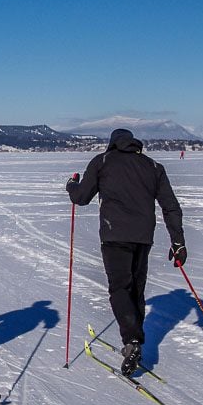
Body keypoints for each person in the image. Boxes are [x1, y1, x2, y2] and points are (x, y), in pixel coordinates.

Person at [66, 128, 186, 376]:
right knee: (136, 289)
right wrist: (178, 242)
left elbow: (81, 197)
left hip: (114, 235)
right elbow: (170, 206)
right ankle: (135, 342)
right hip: (143, 237)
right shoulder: (152, 166)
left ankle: (131, 341)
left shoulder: (103, 161)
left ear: (112, 144)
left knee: (120, 288)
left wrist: (71, 185)